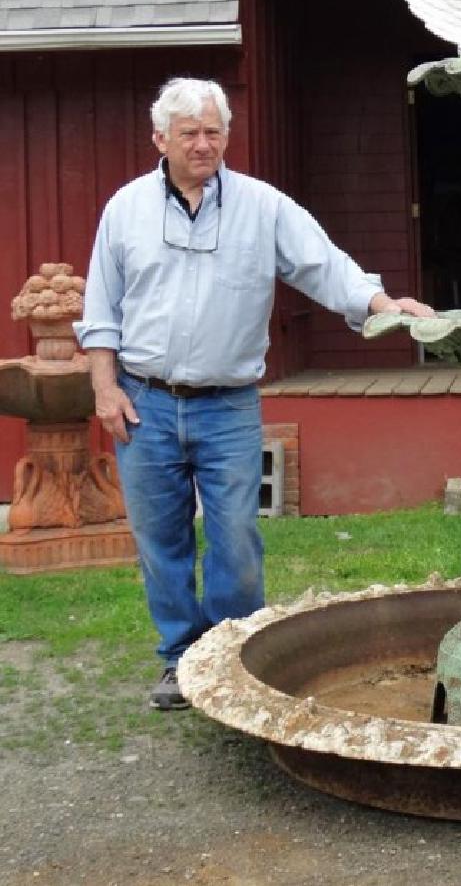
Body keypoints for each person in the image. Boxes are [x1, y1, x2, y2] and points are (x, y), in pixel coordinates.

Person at [75, 77, 434, 711]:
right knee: (161, 543)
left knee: (237, 537)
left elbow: (324, 265)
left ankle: (233, 655)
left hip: (229, 405)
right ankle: (179, 659)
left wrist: (380, 302)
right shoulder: (124, 209)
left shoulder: (263, 207)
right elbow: (101, 307)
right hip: (145, 402)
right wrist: (105, 389)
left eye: (214, 131)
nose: (204, 144)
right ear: (160, 138)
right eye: (189, 133)